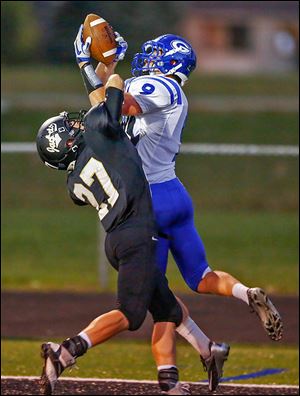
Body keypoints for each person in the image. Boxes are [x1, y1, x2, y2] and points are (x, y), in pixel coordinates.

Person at [36, 43, 229, 395]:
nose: (76, 123)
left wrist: (91, 65)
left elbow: (104, 111)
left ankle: (195, 363)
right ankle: (65, 351)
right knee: (129, 314)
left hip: (114, 240)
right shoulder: (106, 137)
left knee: (168, 307)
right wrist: (110, 65)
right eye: (69, 126)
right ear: (66, 142)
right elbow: (111, 100)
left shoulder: (73, 182)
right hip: (139, 234)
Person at [89, 30, 283, 343]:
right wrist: (103, 69)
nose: (148, 58)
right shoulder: (176, 94)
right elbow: (109, 110)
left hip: (148, 201)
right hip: (175, 192)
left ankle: (172, 373)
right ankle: (246, 293)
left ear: (169, 61)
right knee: (201, 276)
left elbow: (115, 107)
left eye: (156, 54)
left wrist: (101, 69)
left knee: (157, 291)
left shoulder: (155, 85)